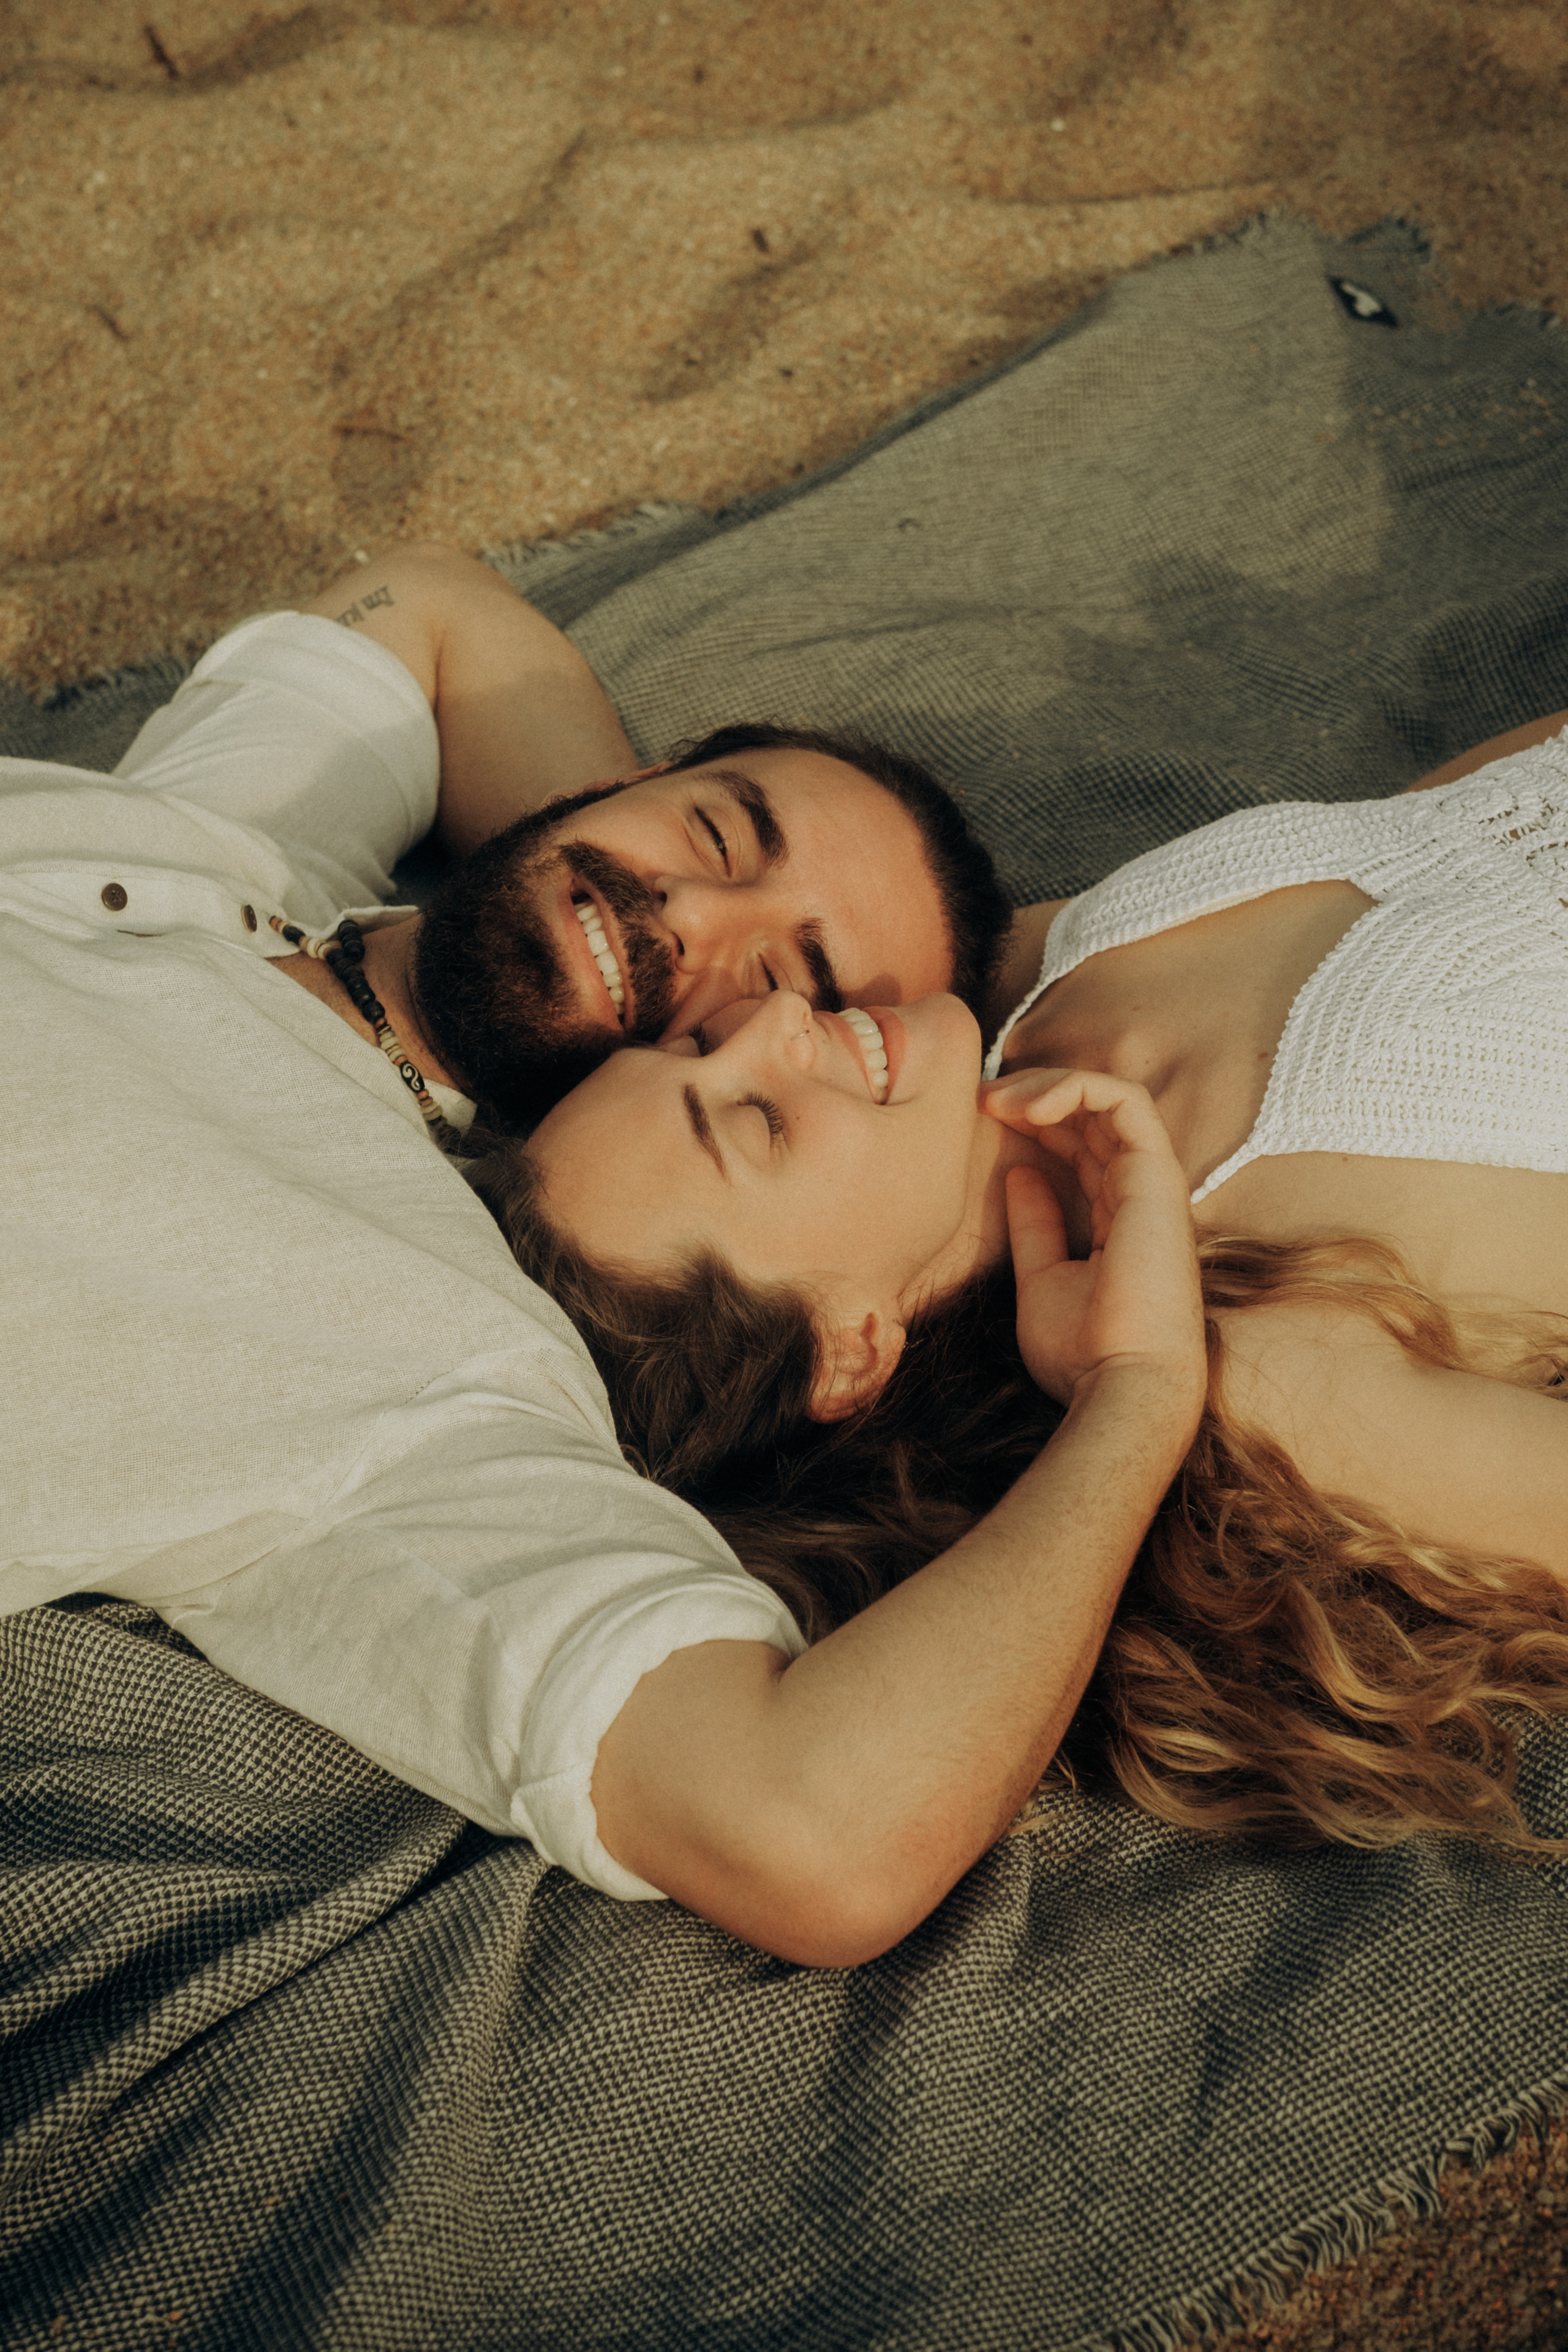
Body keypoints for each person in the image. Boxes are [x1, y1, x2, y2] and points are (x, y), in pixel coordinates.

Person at [5, 537, 1191, 1971]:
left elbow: (807, 1830)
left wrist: (1135, 1399)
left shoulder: (430, 1357)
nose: (699, 935)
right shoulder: (240, 839)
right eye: (713, 836)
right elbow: (438, 607)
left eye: (792, 985)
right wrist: (597, 890)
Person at [475, 717, 1568, 1937]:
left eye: (693, 1041)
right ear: (851, 1346)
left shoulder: (1034, 977)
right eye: (756, 1123)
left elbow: (1457, 820)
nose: (773, 1023)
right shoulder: (1267, 1365)